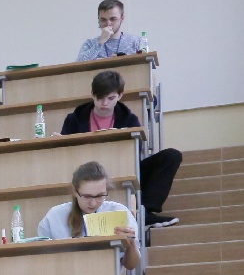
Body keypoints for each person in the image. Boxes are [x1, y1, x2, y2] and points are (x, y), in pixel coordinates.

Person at [59, 69, 183, 227]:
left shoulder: (130, 120)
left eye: (110, 98)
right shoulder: (74, 119)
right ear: (92, 94)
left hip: (124, 169)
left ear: (120, 95)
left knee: (171, 156)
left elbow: (135, 152)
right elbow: (66, 153)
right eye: (100, 98)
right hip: (86, 176)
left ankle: (145, 213)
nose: (105, 103)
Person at [36, 161, 141, 270]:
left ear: (107, 191)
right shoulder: (54, 217)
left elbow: (131, 265)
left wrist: (131, 245)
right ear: (75, 191)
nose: (93, 203)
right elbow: (43, 261)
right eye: (87, 196)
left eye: (100, 196)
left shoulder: (118, 212)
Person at [77, 0, 145, 61]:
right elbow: (78, 64)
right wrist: (100, 42)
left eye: (113, 19)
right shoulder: (90, 44)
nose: (108, 24)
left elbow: (147, 66)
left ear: (122, 19)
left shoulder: (136, 42)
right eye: (103, 20)